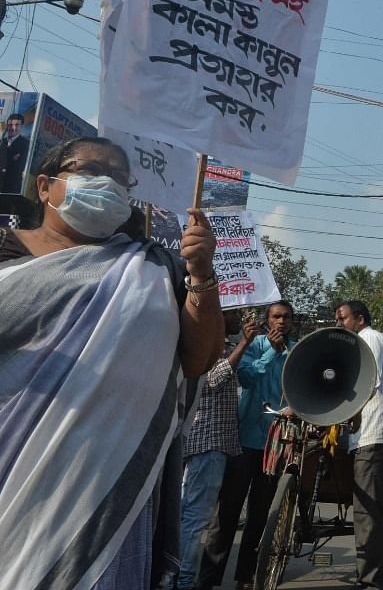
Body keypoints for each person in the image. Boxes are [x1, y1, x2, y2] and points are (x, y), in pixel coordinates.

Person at [0, 136, 222, 589]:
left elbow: (198, 358)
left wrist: (201, 273)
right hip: (12, 471)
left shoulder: (154, 268)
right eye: (90, 170)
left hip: (108, 488)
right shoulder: (5, 252)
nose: (106, 182)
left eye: (119, 177)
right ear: (45, 185)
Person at [197, 301, 297, 590]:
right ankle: (208, 577)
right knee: (227, 512)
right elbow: (247, 377)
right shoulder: (255, 344)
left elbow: (301, 389)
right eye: (276, 317)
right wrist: (270, 352)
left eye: (286, 317)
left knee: (260, 513)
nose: (281, 322)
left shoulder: (297, 351)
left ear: (292, 321)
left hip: (275, 441)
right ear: (268, 320)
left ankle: (246, 575)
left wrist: (294, 407)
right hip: (243, 439)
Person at [336, 299, 383, 589]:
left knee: (367, 513)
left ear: (360, 319)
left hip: (378, 437)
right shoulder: (360, 344)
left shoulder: (372, 340)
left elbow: (369, 383)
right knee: (367, 512)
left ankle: (369, 582)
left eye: (342, 318)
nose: (339, 324)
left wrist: (344, 412)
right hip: (368, 437)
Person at [177, 309, 252, 590]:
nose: (238, 319)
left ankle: (178, 575)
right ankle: (183, 579)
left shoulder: (221, 348)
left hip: (211, 443)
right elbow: (211, 381)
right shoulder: (206, 347)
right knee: (195, 517)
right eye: (232, 314)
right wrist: (244, 344)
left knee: (189, 514)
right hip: (206, 443)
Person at [1, 112, 29, 194]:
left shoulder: (26, 144)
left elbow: (20, 166)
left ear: (22, 127)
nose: (12, 127)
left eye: (16, 125)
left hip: (11, 189)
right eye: (10, 125)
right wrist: (12, 158)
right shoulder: (2, 142)